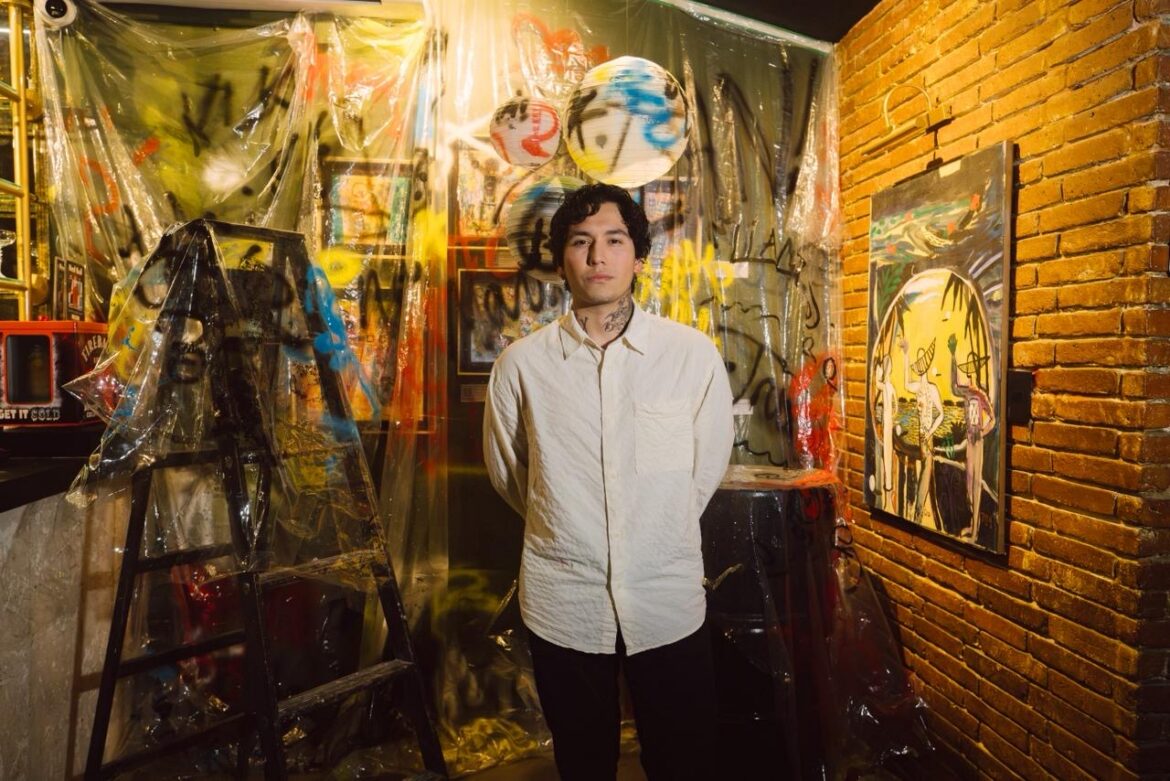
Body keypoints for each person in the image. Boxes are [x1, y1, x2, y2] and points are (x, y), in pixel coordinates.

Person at [483, 183, 734, 780]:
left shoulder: (689, 356)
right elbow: (511, 473)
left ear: (639, 258)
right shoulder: (522, 365)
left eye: (615, 240)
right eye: (581, 242)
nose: (598, 256)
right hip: (564, 601)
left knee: (683, 759)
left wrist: (657, 529)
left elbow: (703, 471)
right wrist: (567, 525)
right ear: (561, 259)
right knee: (583, 762)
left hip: (667, 597)